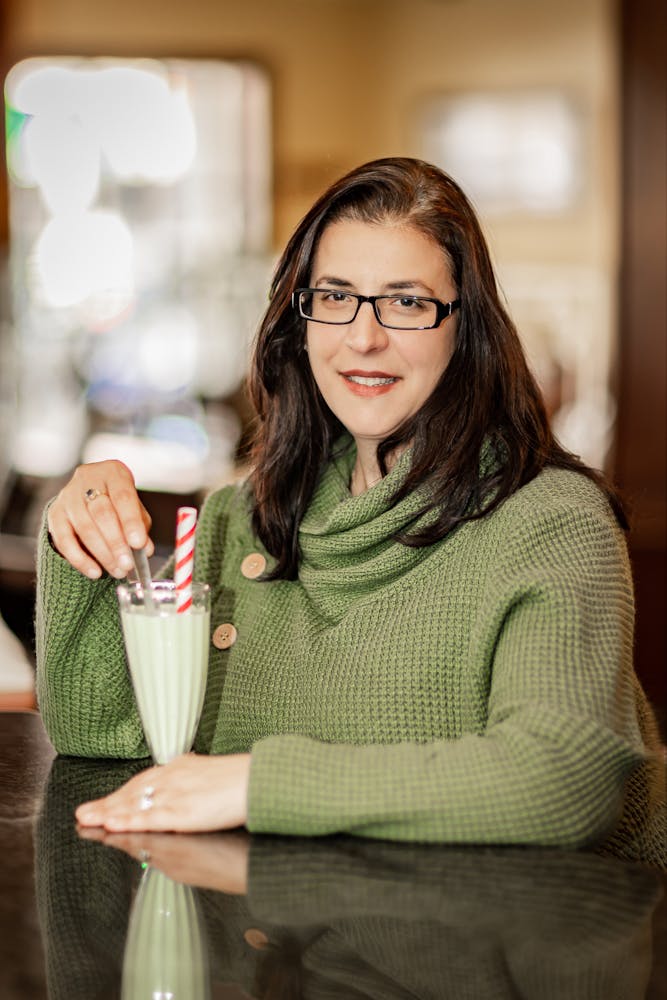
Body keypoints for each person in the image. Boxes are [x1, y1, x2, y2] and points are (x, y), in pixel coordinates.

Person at [36, 157, 665, 865]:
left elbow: (561, 781)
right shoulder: (236, 519)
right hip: (297, 936)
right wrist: (79, 539)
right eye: (334, 297)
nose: (362, 338)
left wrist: (255, 785)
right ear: (297, 322)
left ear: (465, 328)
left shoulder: (552, 521)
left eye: (405, 302)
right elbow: (105, 736)